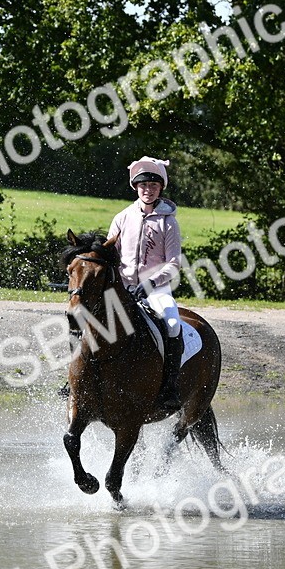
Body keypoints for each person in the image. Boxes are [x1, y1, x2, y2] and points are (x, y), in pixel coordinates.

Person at [107, 156, 184, 410]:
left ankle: (170, 387)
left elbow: (173, 264)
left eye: (153, 185)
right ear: (135, 188)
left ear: (160, 188)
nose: (147, 190)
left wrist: (151, 283)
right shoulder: (122, 218)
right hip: (123, 288)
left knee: (172, 323)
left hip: (155, 290)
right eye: (143, 186)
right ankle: (75, 381)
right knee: (86, 317)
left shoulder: (168, 221)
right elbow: (110, 255)